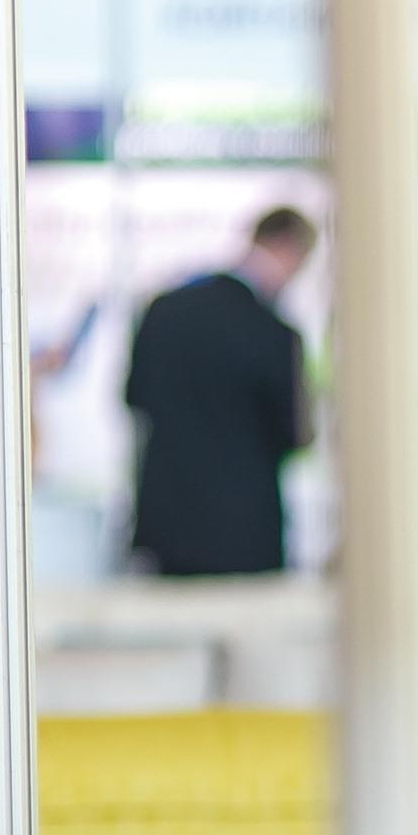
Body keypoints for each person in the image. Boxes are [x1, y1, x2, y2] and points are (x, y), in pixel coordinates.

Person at [124, 206, 314, 575]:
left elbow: (135, 398)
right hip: (246, 535)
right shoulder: (275, 334)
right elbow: (293, 434)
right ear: (292, 250)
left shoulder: (163, 311)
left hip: (167, 530)